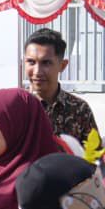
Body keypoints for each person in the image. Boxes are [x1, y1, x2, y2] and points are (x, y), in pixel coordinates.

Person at [23, 27, 100, 156]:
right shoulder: (17, 106)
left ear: (62, 65)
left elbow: (95, 156)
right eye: (31, 62)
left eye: (46, 63)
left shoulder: (79, 109)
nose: (37, 72)